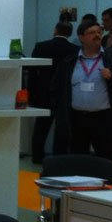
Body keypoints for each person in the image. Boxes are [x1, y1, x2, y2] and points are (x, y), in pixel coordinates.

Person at [50, 20, 112, 161]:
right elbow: (56, 88)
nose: (97, 35)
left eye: (98, 32)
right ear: (81, 37)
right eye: (91, 33)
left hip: (105, 119)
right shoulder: (69, 61)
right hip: (76, 119)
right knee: (78, 160)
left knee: (106, 159)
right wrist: (59, 110)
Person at [27, 21, 79, 163]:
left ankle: (37, 156)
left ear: (55, 30)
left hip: (43, 92)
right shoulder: (75, 49)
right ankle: (59, 158)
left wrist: (31, 93)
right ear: (70, 33)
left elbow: (32, 72)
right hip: (64, 93)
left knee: (41, 127)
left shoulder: (41, 46)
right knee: (62, 128)